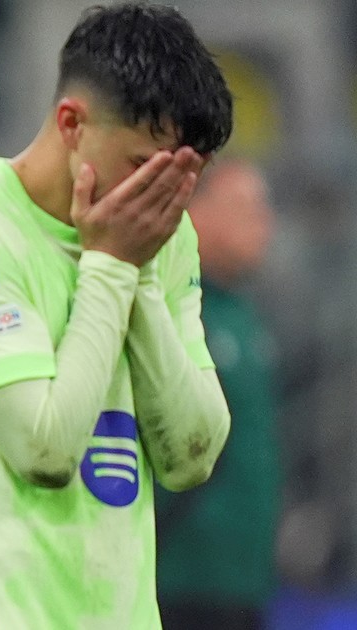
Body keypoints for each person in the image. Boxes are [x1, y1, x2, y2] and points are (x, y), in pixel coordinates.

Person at [0, 3, 233, 628]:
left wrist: (134, 272)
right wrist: (112, 266)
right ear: (72, 123)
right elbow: (44, 448)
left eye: (180, 181)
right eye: (143, 168)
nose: (160, 200)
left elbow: (192, 456)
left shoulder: (158, 236)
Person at [156, 160, 281, 630]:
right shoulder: (168, 307)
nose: (264, 223)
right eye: (245, 208)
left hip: (244, 581)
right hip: (179, 578)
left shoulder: (246, 318)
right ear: (195, 211)